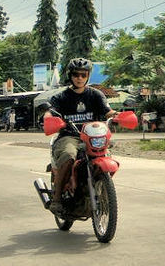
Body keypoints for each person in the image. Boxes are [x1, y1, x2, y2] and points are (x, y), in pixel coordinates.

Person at [47, 58, 116, 216]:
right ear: (70, 75)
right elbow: (51, 111)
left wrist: (116, 115)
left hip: (92, 136)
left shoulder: (96, 95)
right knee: (69, 156)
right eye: (76, 74)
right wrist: (48, 117)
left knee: (106, 155)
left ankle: (101, 189)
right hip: (70, 136)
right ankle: (57, 199)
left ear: (88, 76)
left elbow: (107, 111)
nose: (80, 78)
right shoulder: (61, 97)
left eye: (83, 75)